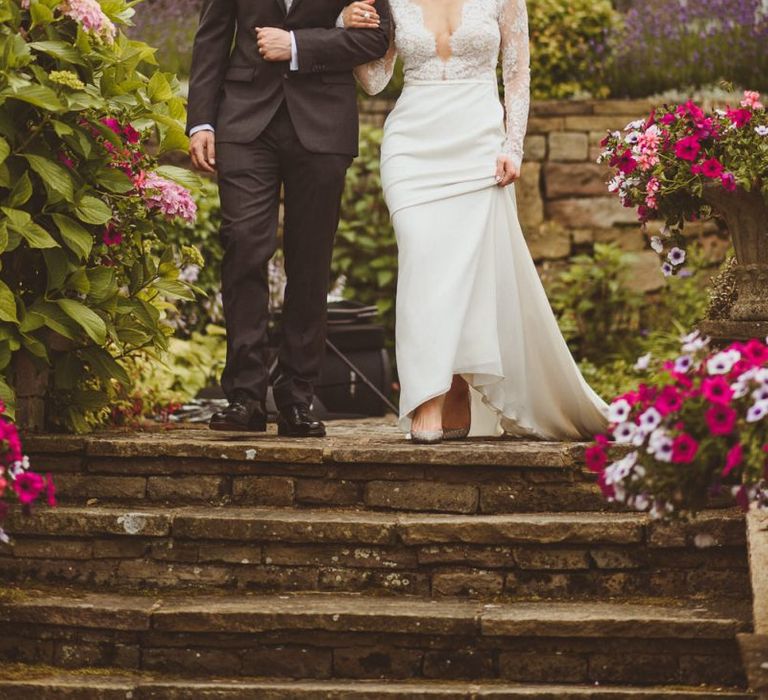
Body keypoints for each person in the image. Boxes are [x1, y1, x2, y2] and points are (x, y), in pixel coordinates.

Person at [341, 0, 608, 443]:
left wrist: (513, 146)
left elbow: (517, 74)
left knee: (468, 268)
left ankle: (458, 386)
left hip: (478, 140)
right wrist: (346, 25)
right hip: (412, 144)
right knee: (422, 259)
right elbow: (374, 81)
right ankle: (427, 395)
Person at [186, 0, 391, 437]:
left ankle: (297, 395)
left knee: (310, 260)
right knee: (242, 244)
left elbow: (376, 37)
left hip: (323, 122)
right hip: (243, 121)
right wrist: (201, 120)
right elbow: (212, 36)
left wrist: (298, 44)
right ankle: (245, 395)